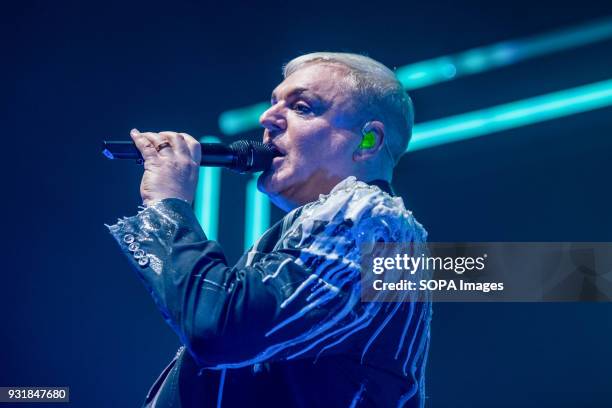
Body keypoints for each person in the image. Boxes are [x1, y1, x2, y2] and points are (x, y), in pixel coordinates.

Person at [107, 52, 431, 407]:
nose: (267, 118)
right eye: (274, 103)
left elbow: (220, 329)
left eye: (302, 107)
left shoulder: (371, 218)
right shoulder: (324, 234)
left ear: (368, 141)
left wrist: (168, 206)